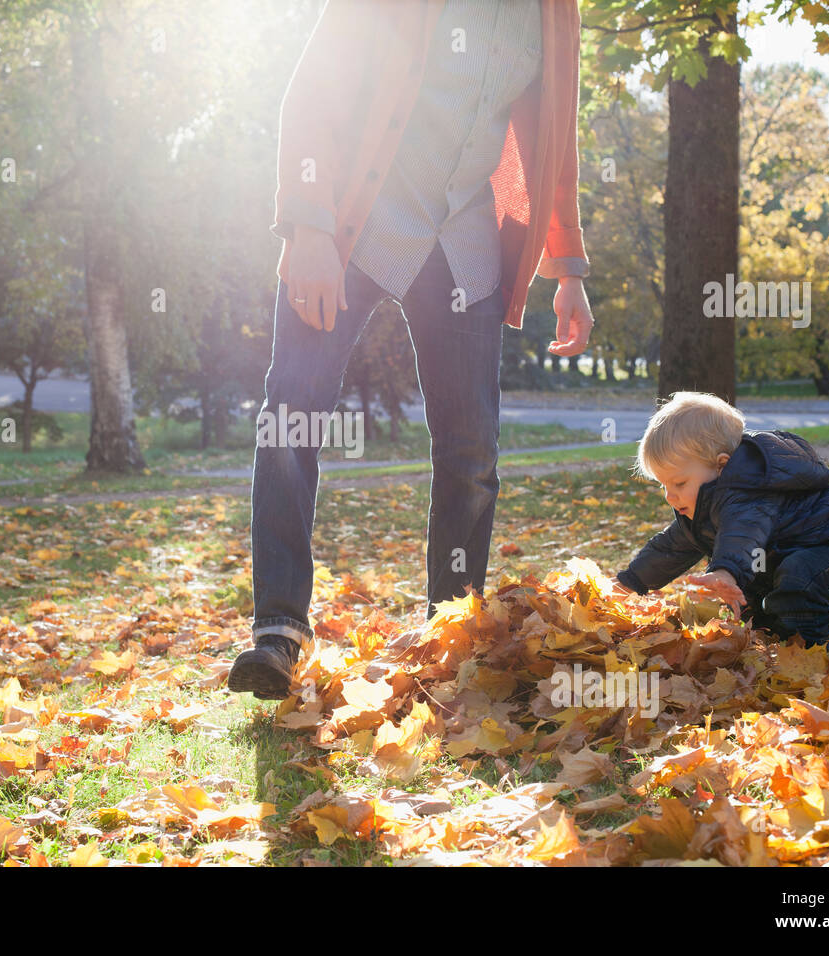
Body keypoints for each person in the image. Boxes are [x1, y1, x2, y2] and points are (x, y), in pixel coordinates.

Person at [229, 0, 594, 700]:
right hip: (354, 223)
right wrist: (305, 227)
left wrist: (568, 267)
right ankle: (278, 632)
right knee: (290, 415)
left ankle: (448, 638)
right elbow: (315, 90)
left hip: (462, 238)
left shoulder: (554, 12)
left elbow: (556, 141)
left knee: (472, 451)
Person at [612, 391, 829, 648]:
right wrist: (629, 582)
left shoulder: (751, 489)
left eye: (680, 483)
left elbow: (744, 533)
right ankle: (772, 640)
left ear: (721, 466)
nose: (670, 496)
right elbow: (671, 547)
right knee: (752, 596)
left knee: (798, 576)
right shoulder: (706, 503)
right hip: (803, 550)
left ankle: (810, 655)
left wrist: (724, 571)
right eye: (664, 486)